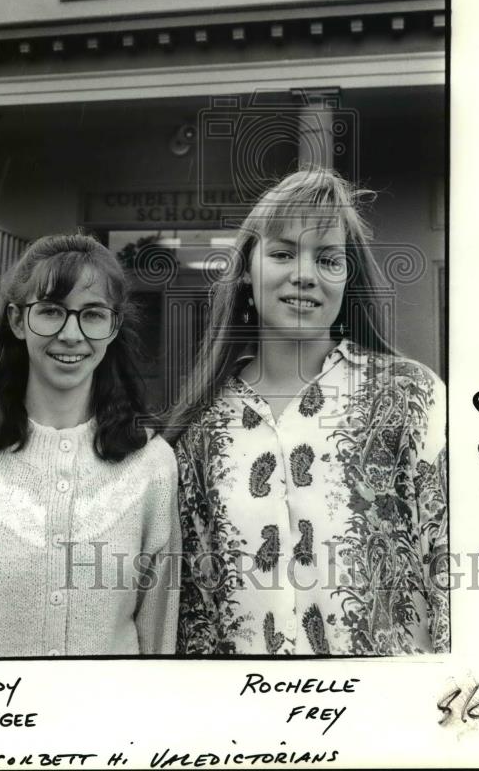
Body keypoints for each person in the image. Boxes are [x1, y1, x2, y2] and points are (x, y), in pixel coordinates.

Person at [169, 167, 447, 656]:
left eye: (328, 259)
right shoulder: (201, 429)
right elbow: (197, 615)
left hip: (392, 716)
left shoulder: (409, 396)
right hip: (254, 720)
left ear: (348, 278)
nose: (304, 274)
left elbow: (452, 565)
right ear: (245, 272)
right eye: (281, 253)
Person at [0, 233, 180, 658]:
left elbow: (158, 637)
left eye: (92, 314)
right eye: (51, 311)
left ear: (114, 326)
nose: (71, 335)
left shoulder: (152, 466)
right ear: (17, 320)